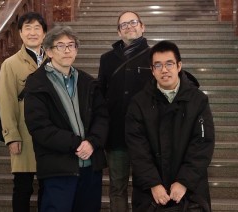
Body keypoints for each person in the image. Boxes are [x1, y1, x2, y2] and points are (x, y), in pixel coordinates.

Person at [24, 25, 108, 212]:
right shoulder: (37, 83)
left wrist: (92, 142)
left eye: (71, 45)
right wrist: (76, 143)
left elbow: (102, 117)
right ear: (49, 51)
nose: (67, 50)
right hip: (58, 167)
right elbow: (39, 126)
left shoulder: (88, 82)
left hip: (90, 166)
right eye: (60, 46)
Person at [125, 41, 215, 212]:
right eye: (158, 65)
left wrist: (183, 182)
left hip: (190, 192)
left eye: (169, 64)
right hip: (150, 193)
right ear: (152, 70)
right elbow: (137, 148)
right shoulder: (138, 103)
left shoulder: (198, 100)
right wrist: (153, 183)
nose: (164, 70)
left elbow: (203, 144)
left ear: (179, 66)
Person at [98, 11, 153, 212]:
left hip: (146, 137)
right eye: (124, 25)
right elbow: (100, 97)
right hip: (116, 136)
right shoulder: (107, 59)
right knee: (117, 187)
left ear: (142, 26)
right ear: (119, 32)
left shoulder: (155, 57)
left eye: (133, 22)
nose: (129, 26)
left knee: (146, 187)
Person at [0, 12, 47, 212]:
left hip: (50, 135)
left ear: (44, 33)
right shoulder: (10, 64)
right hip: (24, 135)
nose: (33, 32)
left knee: (48, 186)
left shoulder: (54, 60)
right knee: (23, 187)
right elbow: (7, 102)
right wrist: (12, 137)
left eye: (37, 28)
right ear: (20, 33)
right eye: (28, 28)